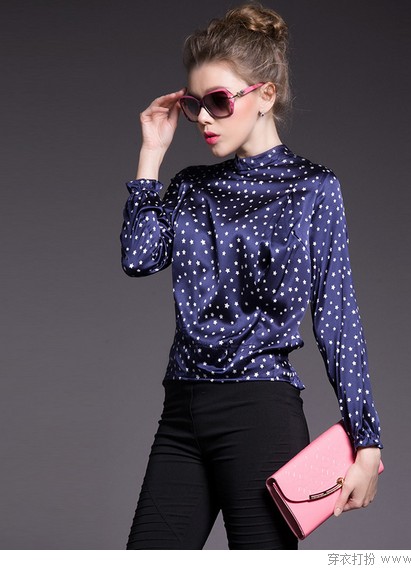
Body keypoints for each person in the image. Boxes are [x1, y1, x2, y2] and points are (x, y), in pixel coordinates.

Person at [120, 2, 383, 550]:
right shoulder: (192, 186)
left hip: (259, 413)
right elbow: (139, 257)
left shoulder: (313, 189)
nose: (204, 119)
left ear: (265, 95)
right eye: (194, 105)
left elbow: (337, 317)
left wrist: (367, 441)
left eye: (218, 101)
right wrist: (151, 154)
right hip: (182, 411)